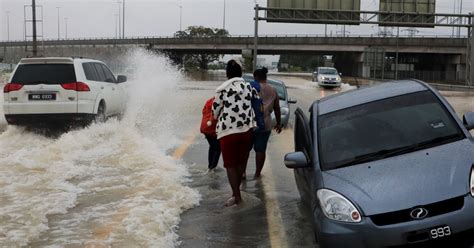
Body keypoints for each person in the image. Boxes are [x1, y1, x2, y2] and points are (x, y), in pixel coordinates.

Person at [212, 60, 259, 207]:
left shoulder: (222, 90)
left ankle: (236, 196)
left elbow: (215, 112)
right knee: (241, 162)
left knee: (230, 165)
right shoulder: (249, 86)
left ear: (227, 74)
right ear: (240, 73)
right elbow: (258, 103)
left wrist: (216, 116)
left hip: (228, 131)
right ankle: (236, 194)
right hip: (247, 130)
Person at [251, 68, 281, 179]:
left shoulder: (252, 87)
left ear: (256, 77)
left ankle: (243, 173)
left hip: (251, 122)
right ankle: (257, 173)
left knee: (245, 149)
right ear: (265, 77)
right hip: (266, 122)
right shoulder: (273, 89)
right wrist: (278, 123)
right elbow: (277, 108)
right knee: (261, 149)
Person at [200, 97, 220, 172]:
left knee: (212, 146)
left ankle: (210, 166)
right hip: (212, 128)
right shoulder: (222, 102)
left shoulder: (209, 100)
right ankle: (213, 167)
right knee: (217, 148)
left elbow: (203, 111)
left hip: (204, 126)